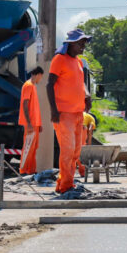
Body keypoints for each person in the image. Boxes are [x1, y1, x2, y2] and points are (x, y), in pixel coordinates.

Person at [47, 29, 92, 194]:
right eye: (80, 43)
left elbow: (81, 83)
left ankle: (64, 183)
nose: (83, 47)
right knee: (67, 151)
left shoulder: (78, 62)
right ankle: (66, 185)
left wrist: (87, 95)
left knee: (75, 152)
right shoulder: (59, 59)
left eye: (84, 43)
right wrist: (53, 110)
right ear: (71, 44)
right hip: (64, 113)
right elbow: (49, 85)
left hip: (78, 113)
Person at [18, 67, 43, 175]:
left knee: (33, 147)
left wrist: (39, 123)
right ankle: (23, 170)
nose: (40, 79)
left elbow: (34, 107)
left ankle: (31, 170)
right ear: (38, 75)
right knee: (28, 147)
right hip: (31, 123)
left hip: (35, 123)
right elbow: (25, 104)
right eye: (41, 77)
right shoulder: (28, 85)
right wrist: (28, 123)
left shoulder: (32, 86)